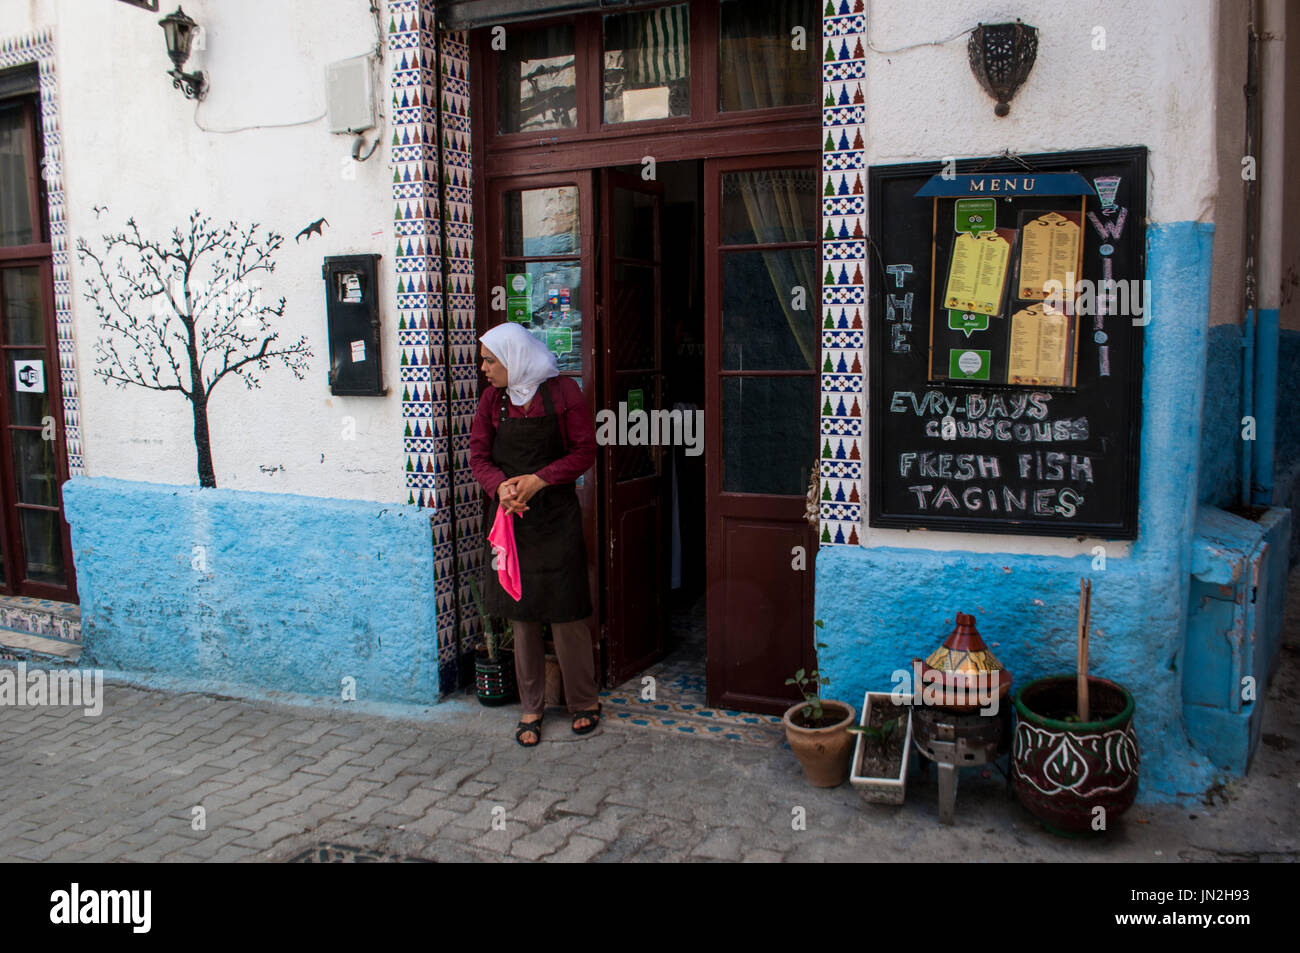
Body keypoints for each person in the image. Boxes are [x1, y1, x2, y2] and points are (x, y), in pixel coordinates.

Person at [469, 321, 601, 747]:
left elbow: (585, 450)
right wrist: (501, 488)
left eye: (490, 360)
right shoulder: (493, 400)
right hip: (511, 521)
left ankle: (583, 702)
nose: (484, 368)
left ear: (513, 359)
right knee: (521, 613)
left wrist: (540, 479)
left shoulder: (563, 393)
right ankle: (532, 706)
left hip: (556, 516)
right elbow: (478, 455)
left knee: (567, 610)